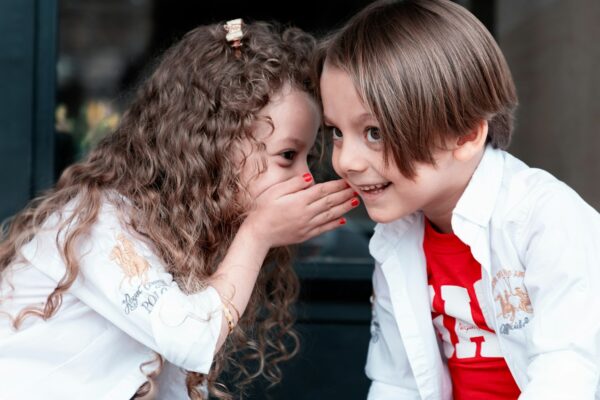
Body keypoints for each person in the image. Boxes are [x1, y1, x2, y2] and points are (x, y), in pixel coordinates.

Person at [0, 19, 359, 399]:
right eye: (287, 156)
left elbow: (176, 382)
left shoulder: (182, 229)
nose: (306, 178)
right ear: (216, 145)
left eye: (308, 158)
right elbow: (190, 338)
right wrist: (258, 233)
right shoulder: (100, 223)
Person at [316, 1, 600, 399]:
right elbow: (397, 382)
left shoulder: (545, 219)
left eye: (375, 132)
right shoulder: (397, 238)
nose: (345, 161)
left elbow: (568, 371)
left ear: (466, 135)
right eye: (337, 132)